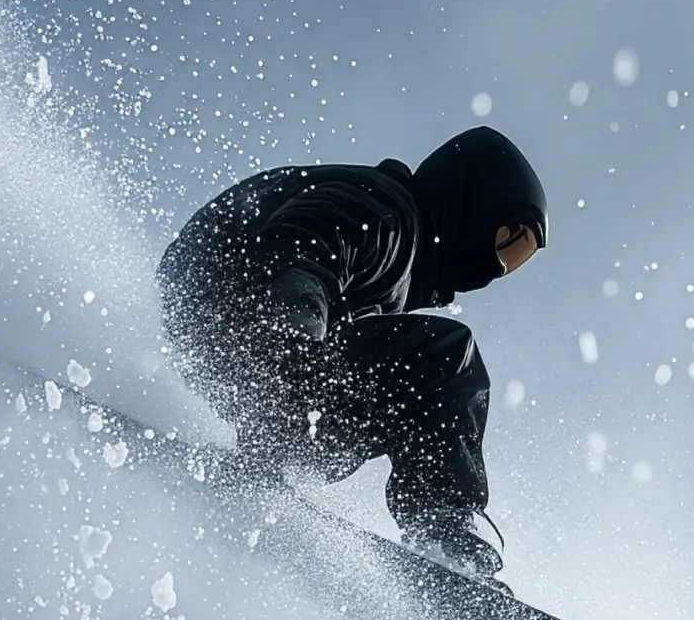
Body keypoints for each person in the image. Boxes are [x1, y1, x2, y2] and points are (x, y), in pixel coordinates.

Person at [159, 126, 545, 580]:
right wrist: (294, 347)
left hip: (224, 336)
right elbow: (299, 250)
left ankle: (261, 462)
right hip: (243, 314)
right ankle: (444, 529)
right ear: (472, 204)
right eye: (507, 241)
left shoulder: (398, 244)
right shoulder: (387, 212)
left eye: (517, 258)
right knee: (446, 357)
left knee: (381, 398)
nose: (499, 267)